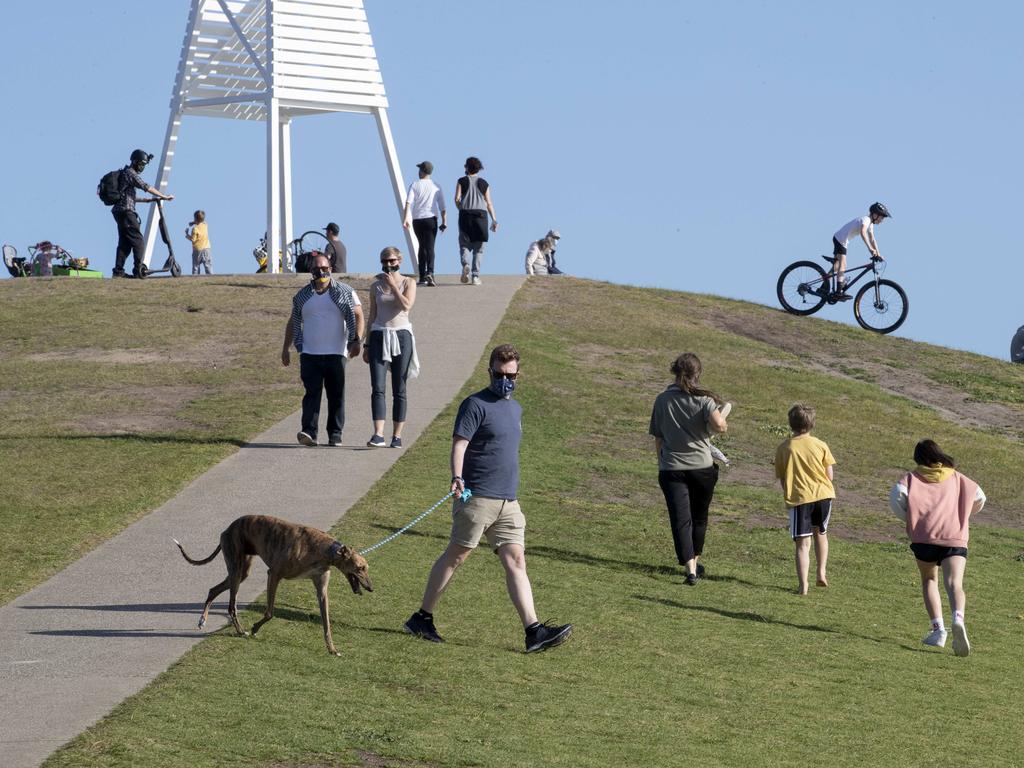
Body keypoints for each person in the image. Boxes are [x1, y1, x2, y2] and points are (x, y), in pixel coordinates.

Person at [403, 344, 573, 653]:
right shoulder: (475, 404)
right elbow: (460, 444)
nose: (505, 381)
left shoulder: (515, 408)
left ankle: (534, 631)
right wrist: (457, 477)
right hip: (477, 497)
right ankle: (422, 618)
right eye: (499, 374)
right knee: (456, 555)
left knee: (516, 560)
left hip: (508, 501)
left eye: (511, 375)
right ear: (490, 371)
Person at [889, 439, 986, 657]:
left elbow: (896, 499)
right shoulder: (958, 478)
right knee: (955, 584)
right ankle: (958, 618)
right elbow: (980, 497)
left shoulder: (911, 479)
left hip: (924, 539)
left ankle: (938, 630)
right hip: (954, 537)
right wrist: (963, 514)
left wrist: (913, 520)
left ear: (918, 459)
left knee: (929, 580)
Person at [649, 352, 729, 585]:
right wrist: (723, 421)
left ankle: (691, 569)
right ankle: (694, 561)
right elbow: (719, 426)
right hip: (702, 468)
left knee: (681, 519)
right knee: (699, 518)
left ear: (674, 372)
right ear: (698, 375)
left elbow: (658, 437)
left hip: (671, 468)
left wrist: (661, 462)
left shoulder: (662, 400)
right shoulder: (705, 401)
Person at [281, 252, 363, 447]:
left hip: (336, 353)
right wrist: (286, 347)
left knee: (336, 395)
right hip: (310, 353)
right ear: (311, 271)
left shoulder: (345, 291)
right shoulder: (302, 296)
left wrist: (357, 340)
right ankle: (309, 432)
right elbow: (293, 321)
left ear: (331, 269)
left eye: (325, 268)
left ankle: (335, 434)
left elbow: (358, 315)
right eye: (317, 269)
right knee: (311, 394)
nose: (321, 272)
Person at [774, 404, 836, 595]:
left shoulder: (785, 448)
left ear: (790, 424)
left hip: (800, 498)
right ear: (811, 424)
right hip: (824, 495)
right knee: (821, 534)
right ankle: (821, 572)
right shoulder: (821, 444)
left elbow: (782, 477)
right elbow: (830, 475)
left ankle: (803, 586)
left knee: (802, 543)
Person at [362, 247, 419, 448]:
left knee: (399, 387)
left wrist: (394, 286)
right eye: (385, 260)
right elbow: (372, 316)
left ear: (399, 261)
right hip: (379, 334)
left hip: (401, 335)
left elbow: (406, 306)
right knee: (377, 386)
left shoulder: (408, 282)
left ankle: (397, 435)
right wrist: (366, 343)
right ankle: (378, 434)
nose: (388, 264)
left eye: (392, 260)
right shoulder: (375, 286)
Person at [111, 149, 174, 278]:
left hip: (120, 211)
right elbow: (145, 186)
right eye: (141, 164)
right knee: (138, 241)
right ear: (135, 162)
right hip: (126, 213)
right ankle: (138, 270)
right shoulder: (130, 173)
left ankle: (118, 272)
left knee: (125, 243)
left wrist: (147, 200)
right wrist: (164, 196)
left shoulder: (125, 173)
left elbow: (128, 197)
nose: (142, 167)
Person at [830, 202, 891, 296]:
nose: (882, 220)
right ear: (875, 215)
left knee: (837, 266)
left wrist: (878, 253)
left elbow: (872, 239)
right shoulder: (866, 220)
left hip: (841, 239)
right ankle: (838, 291)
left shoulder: (870, 224)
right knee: (843, 264)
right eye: (881, 217)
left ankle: (824, 285)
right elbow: (863, 232)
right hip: (841, 239)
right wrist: (870, 249)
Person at [454, 156, 498, 286]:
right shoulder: (484, 183)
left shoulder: (461, 181)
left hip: (465, 214)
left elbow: (457, 199)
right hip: (481, 216)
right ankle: (475, 275)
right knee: (479, 248)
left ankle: (465, 264)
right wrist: (494, 220)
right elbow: (489, 203)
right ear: (479, 168)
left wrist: (461, 208)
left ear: (467, 167)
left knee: (464, 243)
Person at [403, 161, 447, 286]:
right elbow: (443, 206)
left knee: (422, 246)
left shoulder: (415, 185)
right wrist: (444, 222)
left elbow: (408, 202)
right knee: (430, 246)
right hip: (430, 219)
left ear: (422, 171)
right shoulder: (436, 186)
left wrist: (406, 218)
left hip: (417, 220)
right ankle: (430, 273)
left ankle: (422, 276)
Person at [185, 210, 212, 275]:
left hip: (197, 250)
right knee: (208, 265)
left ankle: (195, 279)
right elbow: (200, 221)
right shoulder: (205, 225)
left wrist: (187, 235)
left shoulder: (195, 229)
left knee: (196, 266)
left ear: (195, 219)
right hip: (206, 249)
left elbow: (193, 239)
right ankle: (210, 277)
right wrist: (193, 222)